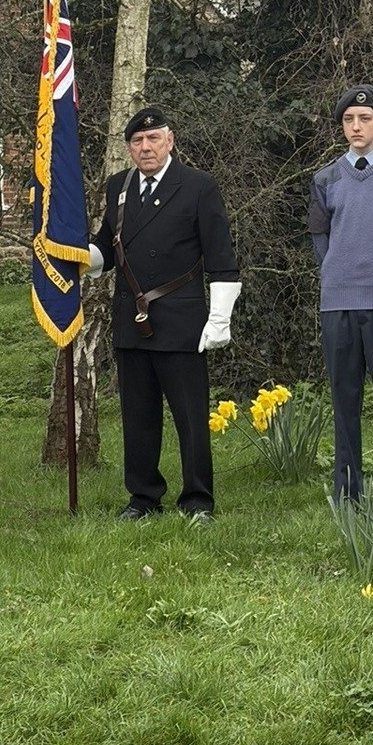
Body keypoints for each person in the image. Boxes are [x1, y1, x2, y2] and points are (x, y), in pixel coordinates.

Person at [89, 107, 239, 520]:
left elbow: (221, 257)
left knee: (190, 418)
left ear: (169, 142)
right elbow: (107, 249)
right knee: (138, 417)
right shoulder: (118, 187)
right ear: (129, 148)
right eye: (137, 141)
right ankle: (143, 498)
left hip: (182, 321)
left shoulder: (197, 187)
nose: (146, 147)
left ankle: (197, 500)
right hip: (132, 321)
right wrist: (74, 257)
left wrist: (220, 317)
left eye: (153, 139)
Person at [307, 84, 373, 502]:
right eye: (349, 120)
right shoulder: (326, 177)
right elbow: (319, 233)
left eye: (365, 119)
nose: (356, 127)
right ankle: (348, 491)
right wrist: (335, 270)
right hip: (338, 302)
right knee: (345, 400)